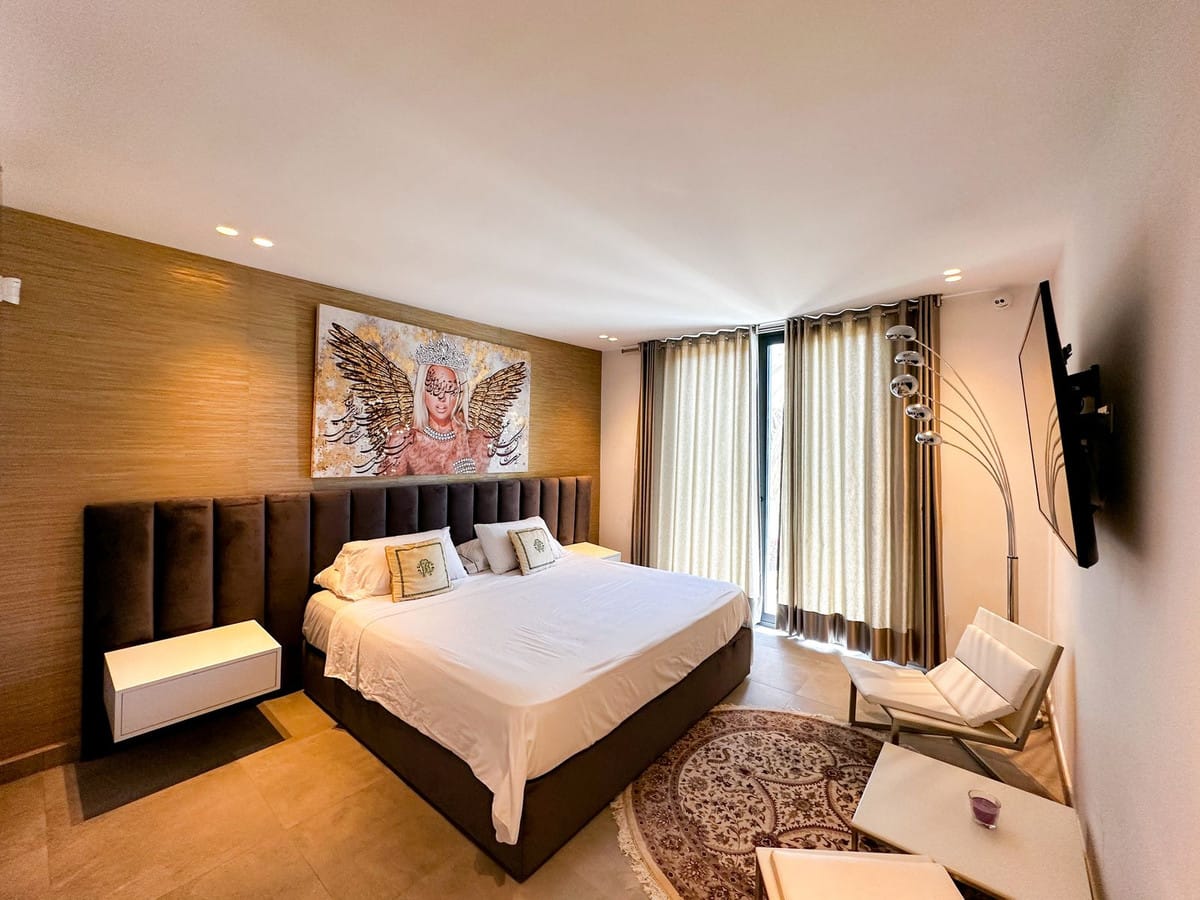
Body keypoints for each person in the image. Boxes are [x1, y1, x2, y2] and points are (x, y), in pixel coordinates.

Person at [378, 349, 492, 476]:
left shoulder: (479, 439)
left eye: (450, 389)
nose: (441, 397)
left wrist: (461, 441)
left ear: (460, 394)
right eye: (434, 387)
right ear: (422, 391)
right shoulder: (404, 438)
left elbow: (471, 484)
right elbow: (390, 485)